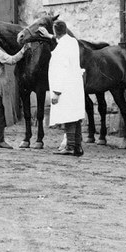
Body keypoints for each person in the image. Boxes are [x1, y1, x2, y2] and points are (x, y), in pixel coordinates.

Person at [47, 20, 85, 156]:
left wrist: (56, 92)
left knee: (69, 115)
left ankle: (70, 146)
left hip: (65, 85)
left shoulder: (60, 49)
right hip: (75, 84)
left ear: (55, 31)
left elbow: (61, 69)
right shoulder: (72, 41)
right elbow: (61, 40)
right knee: (75, 115)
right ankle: (77, 146)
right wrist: (50, 36)